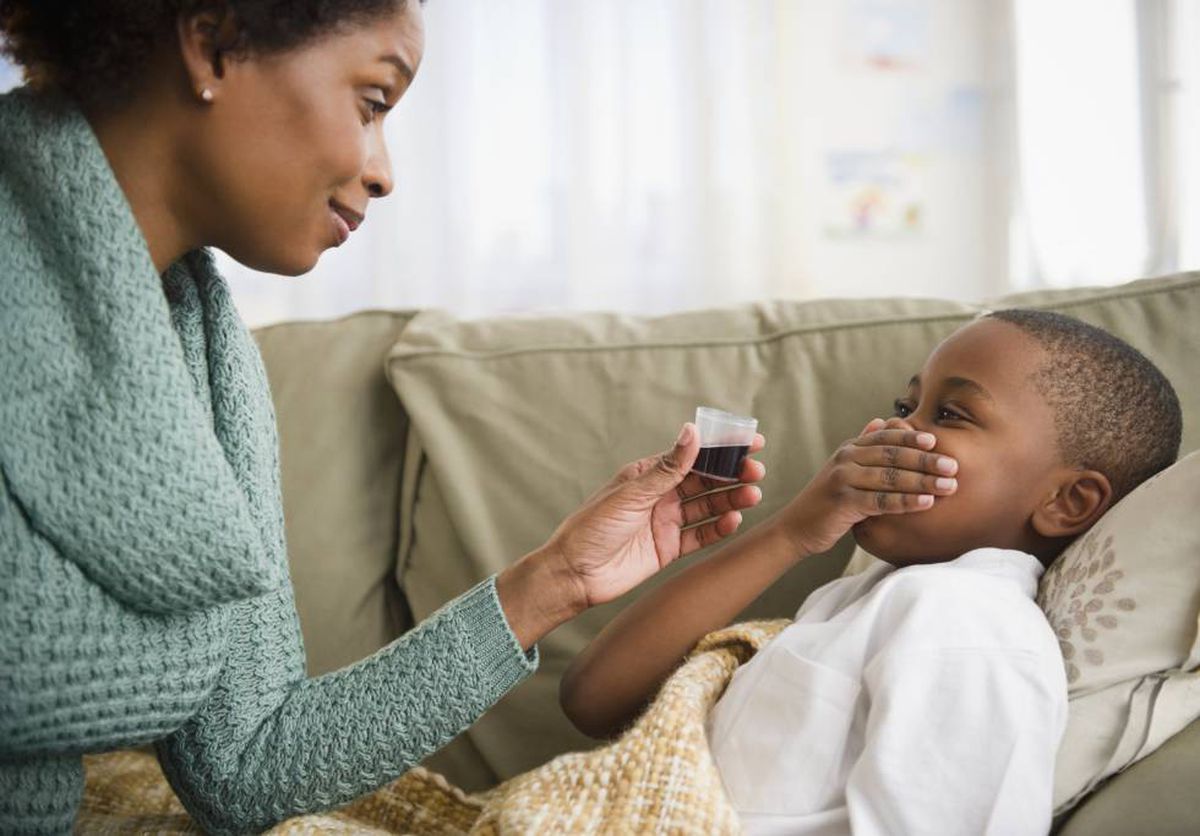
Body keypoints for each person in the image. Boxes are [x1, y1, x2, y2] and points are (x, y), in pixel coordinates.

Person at [0, 2, 781, 833]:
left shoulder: (208, 375)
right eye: (371, 103)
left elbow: (246, 764)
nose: (384, 172)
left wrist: (556, 581)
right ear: (214, 43)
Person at [561, 309, 1183, 835]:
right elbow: (594, 700)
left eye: (951, 415)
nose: (891, 429)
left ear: (1065, 502)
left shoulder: (974, 625)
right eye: (905, 405)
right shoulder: (870, 595)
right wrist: (790, 534)